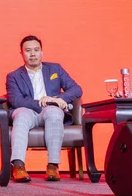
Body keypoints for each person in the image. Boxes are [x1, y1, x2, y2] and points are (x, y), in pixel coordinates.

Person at [5, 35, 83, 183]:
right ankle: (18, 166)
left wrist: (58, 99)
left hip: (51, 111)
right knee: (21, 115)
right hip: (27, 111)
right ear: (22, 53)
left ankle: (53, 165)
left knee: (54, 112)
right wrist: (42, 103)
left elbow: (76, 89)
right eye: (28, 51)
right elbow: (16, 100)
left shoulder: (55, 69)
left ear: (42, 52)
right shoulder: (13, 76)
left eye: (36, 50)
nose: (32, 54)